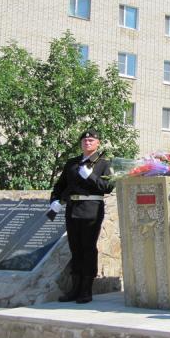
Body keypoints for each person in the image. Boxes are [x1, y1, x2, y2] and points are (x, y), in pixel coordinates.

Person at [49, 129, 114, 304]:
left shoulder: (103, 164)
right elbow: (60, 185)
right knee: (75, 248)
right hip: (72, 209)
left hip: (91, 209)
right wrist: (54, 201)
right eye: (85, 141)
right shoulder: (72, 163)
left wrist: (90, 176)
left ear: (98, 143)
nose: (87, 143)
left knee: (88, 249)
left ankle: (86, 289)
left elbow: (107, 187)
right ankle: (75, 288)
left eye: (91, 140)